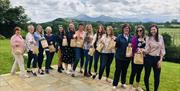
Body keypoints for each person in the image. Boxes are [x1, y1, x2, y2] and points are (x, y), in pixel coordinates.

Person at [143, 24, 165, 91]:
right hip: (148, 58)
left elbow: (162, 49)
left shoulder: (160, 37)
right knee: (147, 75)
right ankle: (147, 90)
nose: (153, 31)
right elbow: (146, 50)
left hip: (157, 58)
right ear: (150, 30)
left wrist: (160, 60)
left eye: (154, 29)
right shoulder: (148, 38)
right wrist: (142, 50)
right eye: (151, 29)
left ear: (157, 30)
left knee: (157, 77)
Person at [113, 23, 133, 89]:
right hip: (119, 57)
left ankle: (123, 83)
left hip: (127, 58)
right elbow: (115, 46)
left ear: (129, 30)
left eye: (127, 28)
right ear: (123, 29)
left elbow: (134, 47)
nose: (126, 29)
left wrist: (131, 45)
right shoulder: (119, 36)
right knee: (118, 70)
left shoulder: (132, 37)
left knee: (124, 71)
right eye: (125, 28)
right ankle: (115, 84)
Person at [129, 25, 146, 91]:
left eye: (140, 30)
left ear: (143, 31)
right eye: (138, 30)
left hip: (142, 58)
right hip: (135, 57)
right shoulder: (134, 38)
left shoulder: (145, 38)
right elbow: (132, 48)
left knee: (139, 73)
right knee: (133, 72)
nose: (139, 31)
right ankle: (130, 87)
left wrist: (143, 49)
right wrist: (136, 49)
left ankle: (137, 87)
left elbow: (147, 48)